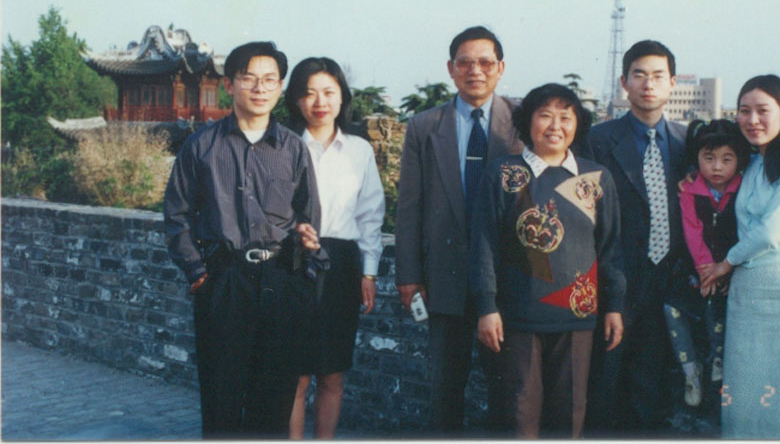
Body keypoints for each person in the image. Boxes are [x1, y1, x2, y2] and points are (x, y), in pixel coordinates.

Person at [164, 41, 321, 438]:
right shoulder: (201, 146)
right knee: (222, 399)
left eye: (269, 79)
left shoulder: (293, 149)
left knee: (275, 399)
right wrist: (198, 272)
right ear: (229, 85)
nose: (259, 87)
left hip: (281, 279)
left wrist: (304, 245)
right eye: (248, 78)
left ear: (280, 86)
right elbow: (176, 215)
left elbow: (308, 213)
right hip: (224, 280)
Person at [469, 83, 625, 438]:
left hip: (578, 316)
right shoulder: (503, 175)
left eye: (565, 117)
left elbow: (610, 247)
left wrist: (614, 304)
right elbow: (484, 245)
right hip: (516, 316)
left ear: (578, 124)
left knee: (570, 413)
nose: (556, 126)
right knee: (519, 411)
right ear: (528, 122)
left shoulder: (595, 178)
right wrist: (486, 306)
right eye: (545, 116)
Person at [394, 25, 523, 434]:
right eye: (465, 62)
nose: (475, 71)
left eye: (486, 62)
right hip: (444, 277)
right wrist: (409, 275)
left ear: (501, 68)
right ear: (451, 68)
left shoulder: (522, 123)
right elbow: (410, 207)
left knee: (507, 390)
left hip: (507, 281)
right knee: (445, 389)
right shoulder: (424, 127)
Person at [699, 75, 780, 438]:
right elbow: (713, 190)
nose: (752, 120)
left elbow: (774, 231)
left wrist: (726, 263)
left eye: (762, 110)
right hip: (749, 292)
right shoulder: (751, 165)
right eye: (744, 111)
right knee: (745, 395)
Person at [584, 39, 687, 434]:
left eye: (658, 76)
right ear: (624, 82)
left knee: (652, 392)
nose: (649, 85)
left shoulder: (686, 141)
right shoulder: (598, 139)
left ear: (672, 83)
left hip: (668, 284)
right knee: (605, 389)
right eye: (639, 75)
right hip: (614, 285)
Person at [283, 57, 386, 439]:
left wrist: (369, 272)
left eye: (328, 92)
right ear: (295, 99)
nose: (319, 102)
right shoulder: (283, 144)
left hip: (341, 263)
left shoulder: (359, 150)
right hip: (290, 261)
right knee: (295, 373)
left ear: (342, 97)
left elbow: (371, 214)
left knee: (332, 371)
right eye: (309, 93)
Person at [665, 119, 750, 408]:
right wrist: (705, 270)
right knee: (671, 308)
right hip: (699, 269)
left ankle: (718, 363)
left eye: (727, 159)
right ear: (697, 158)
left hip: (731, 268)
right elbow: (692, 231)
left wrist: (724, 269)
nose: (717, 167)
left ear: (739, 161)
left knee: (718, 311)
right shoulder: (690, 190)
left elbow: (746, 232)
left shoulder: (745, 188)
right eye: (709, 158)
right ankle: (691, 371)